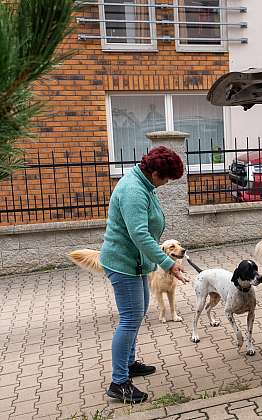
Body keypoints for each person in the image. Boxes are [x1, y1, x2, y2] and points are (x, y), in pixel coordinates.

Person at [100, 146, 187, 403]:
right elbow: (139, 234)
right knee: (129, 319)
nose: (166, 184)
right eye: (166, 178)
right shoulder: (133, 191)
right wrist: (167, 263)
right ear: (156, 172)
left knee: (139, 312)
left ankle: (129, 363)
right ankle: (119, 383)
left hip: (136, 264)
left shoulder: (144, 184)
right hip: (122, 264)